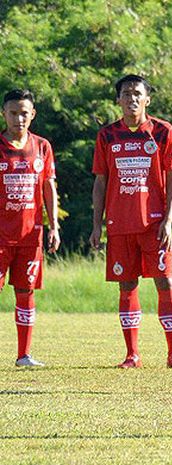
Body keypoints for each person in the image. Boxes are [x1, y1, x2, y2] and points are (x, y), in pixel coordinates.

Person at [90, 75, 172, 369]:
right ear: (118, 100)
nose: (132, 98)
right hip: (120, 225)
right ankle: (132, 355)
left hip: (154, 224)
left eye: (137, 93)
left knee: (165, 280)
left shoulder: (162, 132)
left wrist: (169, 220)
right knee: (127, 285)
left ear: (148, 99)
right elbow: (100, 181)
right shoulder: (107, 135)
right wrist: (97, 224)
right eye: (126, 94)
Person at [0, 89, 60, 367]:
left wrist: (54, 225)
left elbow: (48, 187)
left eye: (24, 113)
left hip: (30, 235)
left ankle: (23, 355)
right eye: (13, 113)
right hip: (1, 236)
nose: (19, 118)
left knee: (25, 291)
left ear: (32, 114)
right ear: (4, 113)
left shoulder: (42, 146)